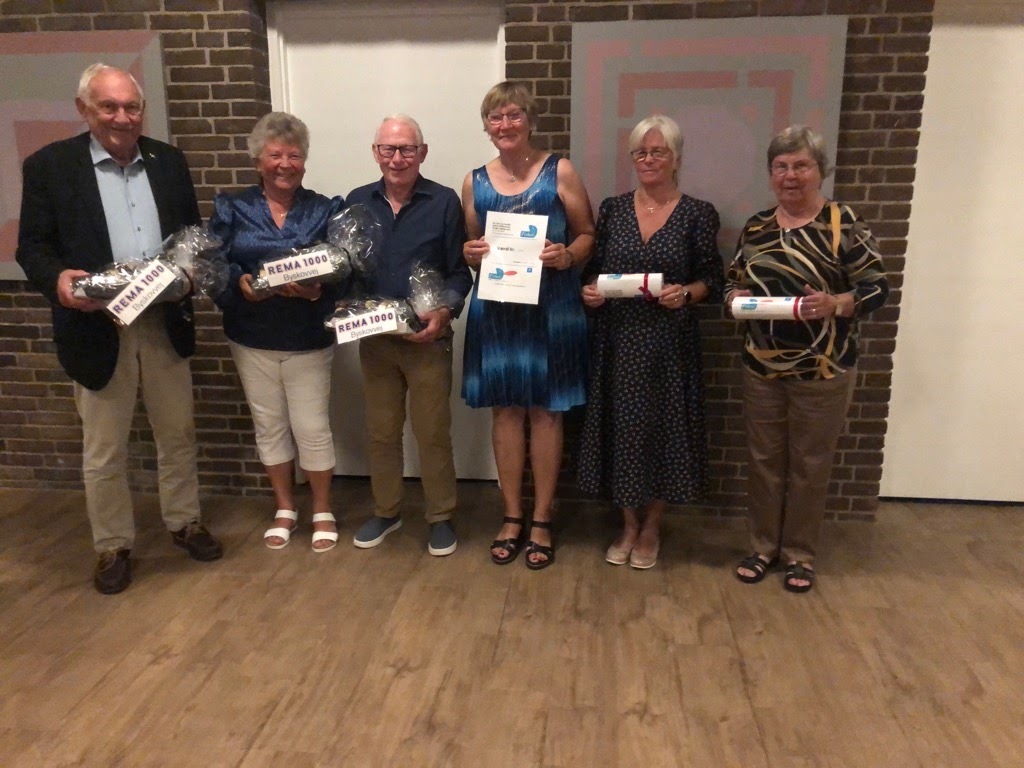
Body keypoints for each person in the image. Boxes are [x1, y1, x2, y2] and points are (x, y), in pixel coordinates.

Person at [15, 63, 223, 594]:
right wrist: (57, 280)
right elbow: (32, 248)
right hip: (97, 327)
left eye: (132, 106)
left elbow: (190, 237)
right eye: (109, 106)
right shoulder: (50, 167)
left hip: (162, 321)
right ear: (85, 110)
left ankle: (185, 521)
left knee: (178, 433)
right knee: (105, 448)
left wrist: (192, 272)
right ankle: (112, 545)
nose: (122, 117)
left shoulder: (169, 161)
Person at [727, 125, 889, 593]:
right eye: (781, 166)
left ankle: (800, 554)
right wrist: (733, 298)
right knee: (763, 461)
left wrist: (836, 303)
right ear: (770, 174)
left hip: (824, 367)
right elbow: (734, 281)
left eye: (801, 165)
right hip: (762, 366)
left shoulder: (844, 224)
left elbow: (877, 288)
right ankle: (762, 547)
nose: (790, 175)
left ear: (821, 171)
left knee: (810, 463)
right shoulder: (757, 227)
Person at [578, 115, 724, 570]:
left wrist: (687, 293)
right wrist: (590, 291)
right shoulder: (612, 209)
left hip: (668, 343)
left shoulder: (698, 213)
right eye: (640, 152)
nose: (648, 159)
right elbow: (595, 270)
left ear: (675, 158)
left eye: (657, 151)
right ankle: (627, 524)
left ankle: (652, 526)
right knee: (621, 432)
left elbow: (712, 279)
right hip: (618, 341)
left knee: (665, 432)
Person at [461, 81, 595, 569]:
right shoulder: (473, 181)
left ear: (531, 120)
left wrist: (568, 256)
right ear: (487, 126)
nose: (505, 125)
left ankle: (542, 518)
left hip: (551, 307)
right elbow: (472, 246)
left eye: (514, 115)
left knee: (546, 413)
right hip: (499, 310)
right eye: (496, 117)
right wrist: (469, 252)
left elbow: (587, 233)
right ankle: (512, 514)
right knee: (505, 412)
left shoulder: (561, 170)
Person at [208, 112, 345, 553]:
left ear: (304, 161)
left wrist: (317, 290)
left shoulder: (325, 209)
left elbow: (345, 266)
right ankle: (285, 507)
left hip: (307, 336)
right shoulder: (232, 208)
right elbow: (214, 263)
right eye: (275, 155)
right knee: (268, 425)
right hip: (251, 335)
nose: (285, 164)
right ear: (257, 161)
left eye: (294, 155)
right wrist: (240, 284)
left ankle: (321, 508)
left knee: (312, 427)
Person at [346, 115, 472, 556]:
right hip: (376, 339)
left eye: (407, 149)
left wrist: (445, 309)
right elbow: (349, 271)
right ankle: (387, 511)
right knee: (381, 432)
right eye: (388, 149)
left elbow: (459, 272)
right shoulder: (357, 202)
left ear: (422, 153)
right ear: (375, 152)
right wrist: (347, 308)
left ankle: (440, 516)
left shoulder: (444, 202)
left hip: (427, 339)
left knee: (432, 432)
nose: (397, 158)